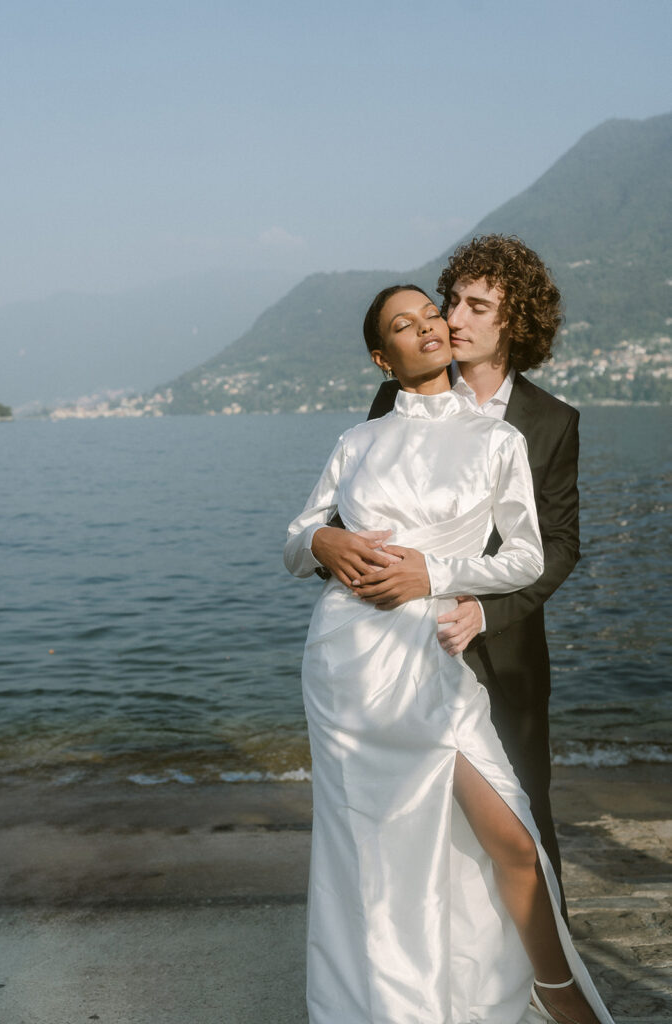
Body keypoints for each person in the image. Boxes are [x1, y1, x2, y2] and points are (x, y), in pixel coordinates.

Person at [285, 285, 611, 1023]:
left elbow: (530, 555)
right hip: (348, 665)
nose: (429, 327)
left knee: (513, 839)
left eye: (432, 315)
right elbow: (296, 539)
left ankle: (558, 998)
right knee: (379, 856)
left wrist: (435, 572)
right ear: (381, 356)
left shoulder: (501, 441)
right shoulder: (357, 441)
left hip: (432, 656)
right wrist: (319, 541)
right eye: (405, 324)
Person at [314, 235, 578, 918]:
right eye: (450, 300)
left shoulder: (550, 423)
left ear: (513, 323)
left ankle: (550, 985)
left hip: (503, 651)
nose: (452, 318)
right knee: (405, 818)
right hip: (398, 654)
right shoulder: (391, 398)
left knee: (524, 820)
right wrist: (330, 546)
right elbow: (353, 521)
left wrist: (483, 612)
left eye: (476, 305)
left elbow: (559, 547)